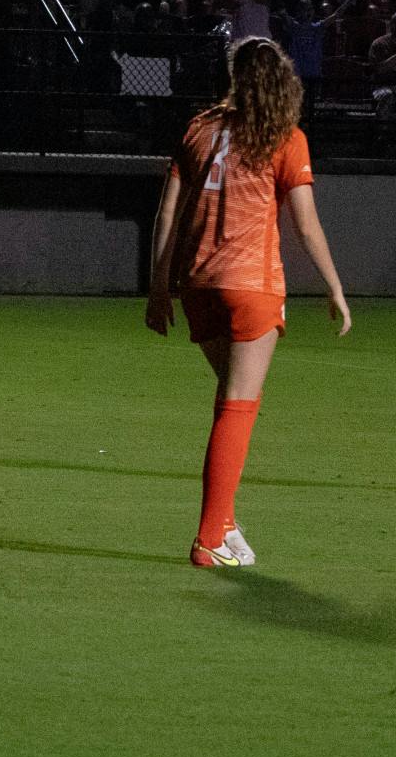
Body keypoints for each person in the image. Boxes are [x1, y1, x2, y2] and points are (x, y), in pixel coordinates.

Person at [145, 37, 353, 567]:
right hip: (251, 285)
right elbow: (305, 223)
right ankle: (209, 539)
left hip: (198, 285)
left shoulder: (199, 127)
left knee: (230, 399)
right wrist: (333, 285)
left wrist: (158, 285)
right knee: (238, 407)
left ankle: (227, 522)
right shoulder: (284, 135)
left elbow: (167, 214)